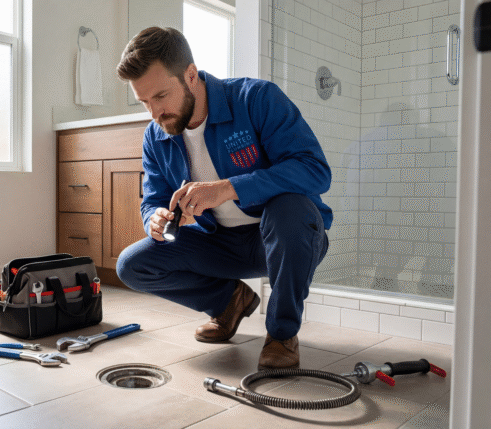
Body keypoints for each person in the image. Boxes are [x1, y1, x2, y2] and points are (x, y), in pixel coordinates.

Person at [114, 27, 332, 369]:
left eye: (161, 96)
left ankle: (281, 334)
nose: (154, 113)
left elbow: (315, 170)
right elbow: (153, 199)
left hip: (283, 237)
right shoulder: (156, 136)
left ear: (190, 75)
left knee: (291, 208)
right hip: (219, 244)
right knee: (131, 265)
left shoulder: (256, 98)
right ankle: (229, 302)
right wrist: (153, 217)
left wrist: (227, 188)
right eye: (144, 102)